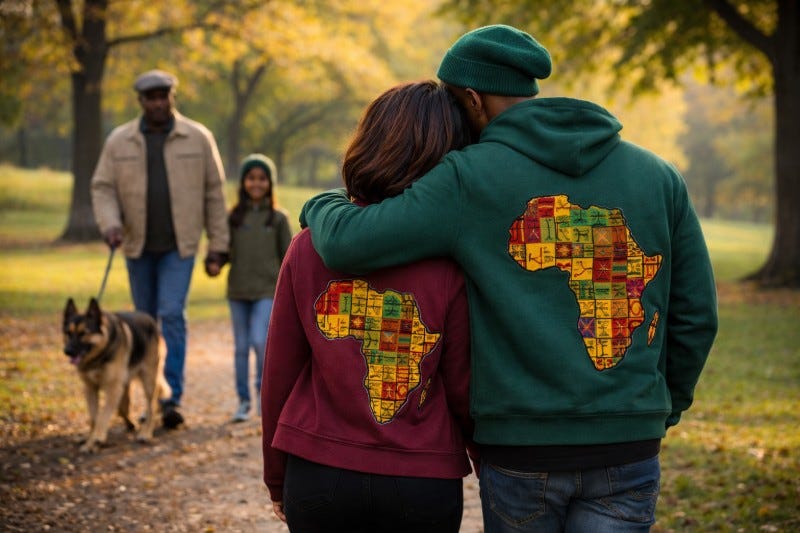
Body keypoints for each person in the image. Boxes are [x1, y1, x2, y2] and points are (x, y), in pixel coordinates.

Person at [301, 25, 719, 532]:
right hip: (629, 441)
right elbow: (696, 316)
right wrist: (657, 412)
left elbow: (350, 242)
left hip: (521, 449)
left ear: (473, 100)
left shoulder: (468, 176)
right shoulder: (659, 176)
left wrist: (319, 202)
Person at [262, 81, 478, 532]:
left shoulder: (308, 246)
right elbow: (462, 384)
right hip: (422, 480)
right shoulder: (451, 256)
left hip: (318, 471)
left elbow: (279, 373)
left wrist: (276, 474)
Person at [91, 69, 229, 429]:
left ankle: (172, 399)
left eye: (162, 96)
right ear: (141, 101)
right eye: (150, 98)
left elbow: (214, 193)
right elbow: (102, 187)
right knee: (144, 321)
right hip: (136, 246)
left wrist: (218, 246)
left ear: (172, 97)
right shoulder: (120, 140)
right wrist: (111, 224)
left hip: (179, 246)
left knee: (170, 315)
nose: (156, 103)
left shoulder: (197, 137)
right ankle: (149, 399)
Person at [225, 153, 292, 422]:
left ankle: (264, 397)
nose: (256, 184)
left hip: (267, 290)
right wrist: (214, 261)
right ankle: (243, 401)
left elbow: (289, 255)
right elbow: (224, 250)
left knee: (260, 342)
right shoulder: (233, 218)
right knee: (241, 347)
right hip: (238, 291)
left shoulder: (277, 219)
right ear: (242, 183)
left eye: (261, 179)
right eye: (251, 179)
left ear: (270, 183)